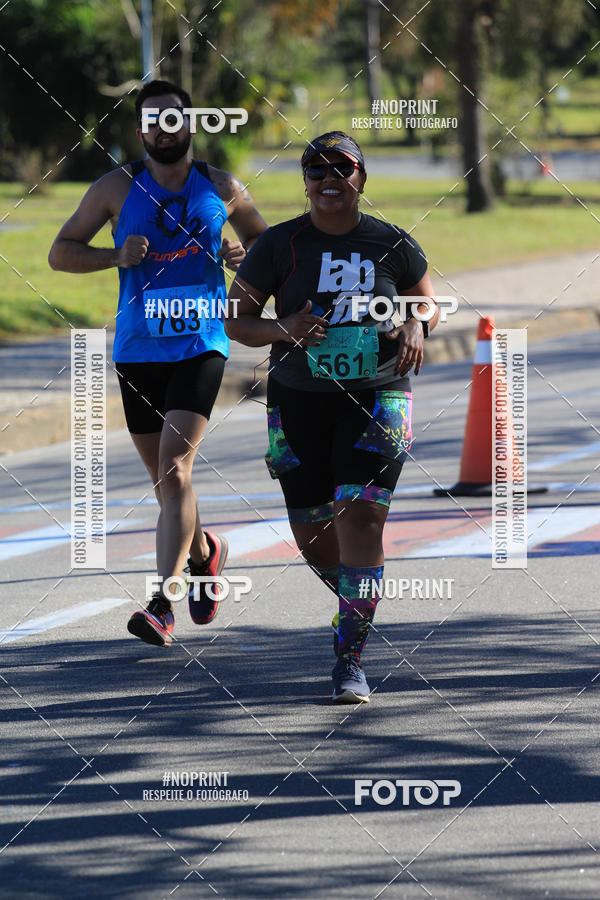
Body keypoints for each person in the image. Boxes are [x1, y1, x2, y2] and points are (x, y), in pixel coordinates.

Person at [49, 79, 267, 647]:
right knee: (167, 482)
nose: (163, 130)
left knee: (175, 470)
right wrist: (113, 255)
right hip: (137, 349)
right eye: (152, 122)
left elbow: (273, 256)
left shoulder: (222, 187)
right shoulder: (115, 189)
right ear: (141, 130)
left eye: (174, 120)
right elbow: (59, 252)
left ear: (191, 124)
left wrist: (240, 261)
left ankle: (162, 603)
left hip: (202, 343)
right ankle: (205, 552)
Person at [225, 131, 438, 703]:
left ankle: (349, 658)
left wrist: (417, 324)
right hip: (298, 398)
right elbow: (235, 320)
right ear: (305, 183)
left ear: (361, 178)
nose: (328, 181)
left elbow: (427, 300)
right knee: (313, 531)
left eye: (340, 169)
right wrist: (281, 329)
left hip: (378, 396)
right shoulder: (279, 244)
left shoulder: (392, 243)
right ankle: (357, 598)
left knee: (362, 521)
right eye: (315, 171)